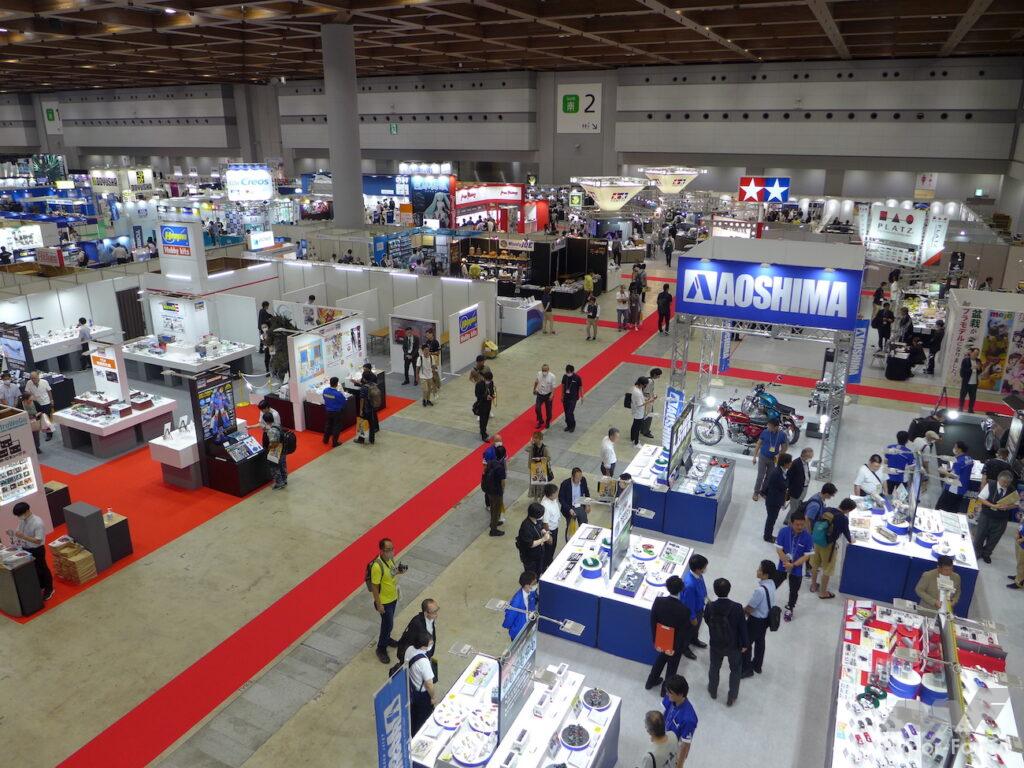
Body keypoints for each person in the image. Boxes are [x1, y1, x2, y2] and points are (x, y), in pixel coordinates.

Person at [704, 578, 748, 707]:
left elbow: (707, 620)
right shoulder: (737, 607)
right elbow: (742, 627)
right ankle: (732, 696)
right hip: (733, 645)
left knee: (714, 667)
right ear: (729, 590)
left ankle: (713, 690)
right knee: (735, 670)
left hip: (716, 644)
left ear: (715, 591)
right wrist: (745, 644)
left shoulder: (710, 606)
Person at [645, 575, 693, 693]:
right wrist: (677, 647)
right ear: (681, 589)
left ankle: (651, 681)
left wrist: (655, 639)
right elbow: (683, 632)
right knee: (672, 667)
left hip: (661, 638)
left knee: (661, 659)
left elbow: (653, 621)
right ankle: (665, 690)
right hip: (675, 644)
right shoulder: (684, 610)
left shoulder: (658, 601)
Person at [809, 497, 855, 598]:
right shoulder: (843, 518)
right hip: (828, 546)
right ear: (848, 510)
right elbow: (846, 533)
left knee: (815, 564)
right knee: (827, 568)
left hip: (816, 541)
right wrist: (851, 540)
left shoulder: (827, 509)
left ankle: (813, 586)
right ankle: (823, 593)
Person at [8, 501, 53, 600]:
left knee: (42, 569)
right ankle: (41, 585)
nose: (19, 517)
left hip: (37, 549)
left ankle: (49, 589)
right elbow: (19, 532)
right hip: (26, 548)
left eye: (20, 514)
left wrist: (24, 536)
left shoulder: (37, 522)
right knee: (34, 570)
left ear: (27, 511)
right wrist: (13, 534)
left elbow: (38, 540)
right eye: (18, 515)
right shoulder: (23, 521)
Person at [973, 471, 1020, 564]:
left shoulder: (1012, 489)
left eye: (1008, 483)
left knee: (994, 538)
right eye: (1003, 482)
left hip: (1001, 519)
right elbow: (981, 498)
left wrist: (1008, 507)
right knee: (980, 535)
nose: (1005, 484)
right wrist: (993, 505)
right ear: (998, 479)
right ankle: (977, 553)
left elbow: (1016, 504)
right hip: (986, 516)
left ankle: (986, 554)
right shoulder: (991, 485)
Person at [370, 538, 404, 664]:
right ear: (381, 550)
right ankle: (381, 648)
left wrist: (399, 571)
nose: (391, 551)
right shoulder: (377, 567)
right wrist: (379, 604)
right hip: (384, 601)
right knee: (387, 624)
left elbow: (391, 573)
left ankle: (387, 638)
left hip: (393, 597)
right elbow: (374, 587)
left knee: (388, 623)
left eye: (392, 549)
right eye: (388, 550)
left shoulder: (390, 560)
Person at [775, 511, 813, 622]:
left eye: (802, 524)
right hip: (783, 565)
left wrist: (793, 565)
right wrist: (786, 562)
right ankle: (765, 601)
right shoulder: (783, 532)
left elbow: (806, 556)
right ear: (791, 523)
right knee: (773, 584)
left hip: (797, 568)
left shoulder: (808, 537)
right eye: (797, 524)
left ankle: (790, 608)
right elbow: (779, 549)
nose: (800, 527)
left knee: (794, 590)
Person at [742, 560, 778, 677]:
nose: (757, 571)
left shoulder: (760, 591)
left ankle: (746, 669)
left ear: (766, 574)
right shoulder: (772, 584)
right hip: (765, 620)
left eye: (759, 569)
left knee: (746, 643)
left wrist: (740, 613)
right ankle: (757, 666)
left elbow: (750, 608)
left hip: (755, 621)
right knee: (760, 642)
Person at [405, 629, 437, 733]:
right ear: (423, 647)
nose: (432, 645)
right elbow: (429, 684)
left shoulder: (409, 649)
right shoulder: (423, 662)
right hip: (422, 695)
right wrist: (433, 697)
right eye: (430, 644)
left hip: (412, 688)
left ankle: (413, 732)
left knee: (414, 715)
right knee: (422, 719)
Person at [661, 675, 697, 768]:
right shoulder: (670, 697)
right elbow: (664, 713)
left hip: (673, 749)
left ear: (680, 694)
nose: (667, 694)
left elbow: (685, 745)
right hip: (664, 739)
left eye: (670, 693)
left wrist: (679, 765)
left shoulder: (689, 719)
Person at [752, 419, 788, 502]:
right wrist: (754, 457)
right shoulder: (765, 432)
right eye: (768, 425)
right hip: (763, 457)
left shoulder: (782, 435)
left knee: (769, 477)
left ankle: (763, 492)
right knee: (760, 476)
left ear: (776, 427)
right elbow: (758, 444)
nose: (768, 427)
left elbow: (784, 447)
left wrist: (779, 455)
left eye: (770, 426)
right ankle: (756, 492)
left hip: (773, 459)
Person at [681, 554, 709, 650]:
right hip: (693, 612)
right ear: (697, 569)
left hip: (699, 608)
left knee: (696, 629)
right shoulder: (690, 585)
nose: (705, 569)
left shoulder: (699, 575)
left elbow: (703, 586)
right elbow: (688, 604)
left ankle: (694, 639)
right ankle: (685, 648)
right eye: (704, 567)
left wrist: (706, 597)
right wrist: (692, 617)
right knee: (689, 630)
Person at [937, 441, 973, 514]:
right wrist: (950, 470)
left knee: (941, 508)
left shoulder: (959, 461)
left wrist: (943, 471)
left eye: (955, 447)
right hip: (962, 488)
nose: (953, 448)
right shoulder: (969, 459)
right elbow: (961, 471)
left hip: (953, 489)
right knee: (954, 509)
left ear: (959, 449)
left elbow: (954, 476)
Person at [762, 452, 791, 543]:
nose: (791, 464)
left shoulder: (782, 471)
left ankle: (768, 535)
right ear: (785, 463)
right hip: (773, 500)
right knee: (771, 519)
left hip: (776, 499)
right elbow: (784, 485)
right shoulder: (776, 473)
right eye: (789, 462)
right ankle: (767, 536)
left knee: (772, 518)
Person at [517, 502, 550, 576]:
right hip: (530, 557)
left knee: (539, 571)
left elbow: (540, 526)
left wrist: (543, 531)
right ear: (536, 515)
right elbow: (530, 544)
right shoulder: (526, 527)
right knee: (532, 574)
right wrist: (543, 539)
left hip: (539, 553)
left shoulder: (537, 520)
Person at [502, 571, 538, 640]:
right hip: (519, 632)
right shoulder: (516, 601)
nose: (536, 585)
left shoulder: (531, 593)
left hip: (530, 625)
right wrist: (508, 626)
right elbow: (509, 617)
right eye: (534, 583)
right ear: (527, 585)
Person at [481, 445, 507, 537]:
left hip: (488, 489)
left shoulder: (491, 462)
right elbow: (503, 482)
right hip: (496, 491)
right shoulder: (501, 468)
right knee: (496, 509)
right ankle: (493, 530)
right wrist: (502, 491)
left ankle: (494, 522)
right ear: (503, 455)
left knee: (493, 507)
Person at [558, 468, 591, 534]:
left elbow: (587, 492)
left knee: (584, 526)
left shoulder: (583, 480)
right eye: (577, 478)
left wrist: (587, 504)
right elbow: (561, 499)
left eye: (580, 477)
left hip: (581, 506)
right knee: (570, 529)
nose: (579, 480)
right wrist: (569, 509)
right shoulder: (565, 484)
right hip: (570, 507)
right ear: (572, 476)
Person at [24, 371, 53, 441]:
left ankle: (49, 434)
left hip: (46, 402)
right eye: (32, 378)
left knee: (46, 418)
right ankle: (44, 430)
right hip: (36, 404)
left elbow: (49, 391)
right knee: (39, 418)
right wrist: (31, 397)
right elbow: (27, 392)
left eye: (35, 378)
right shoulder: (29, 383)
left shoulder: (44, 382)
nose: (33, 380)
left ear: (38, 376)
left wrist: (51, 400)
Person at [538, 483, 562, 569]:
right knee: (548, 549)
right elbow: (545, 523)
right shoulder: (545, 505)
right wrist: (548, 536)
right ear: (551, 495)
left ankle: (550, 560)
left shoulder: (553, 499)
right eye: (556, 493)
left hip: (555, 527)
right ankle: (545, 567)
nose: (557, 494)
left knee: (553, 547)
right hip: (550, 530)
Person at [785, 447, 814, 516]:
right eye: (810, 457)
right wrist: (789, 489)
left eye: (811, 457)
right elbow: (788, 476)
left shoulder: (806, 462)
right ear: (803, 455)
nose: (810, 458)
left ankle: (788, 519)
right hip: (796, 490)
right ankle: (789, 521)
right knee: (794, 508)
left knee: (797, 506)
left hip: (804, 488)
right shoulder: (795, 463)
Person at [263, 412, 287, 488]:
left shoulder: (271, 431)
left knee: (274, 467)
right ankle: (284, 479)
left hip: (276, 451)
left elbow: (273, 443)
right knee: (282, 465)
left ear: (265, 421)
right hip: (283, 448)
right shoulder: (278, 425)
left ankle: (279, 483)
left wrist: (268, 449)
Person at [355, 373, 380, 445]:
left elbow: (362, 399)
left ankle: (361, 439)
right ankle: (372, 440)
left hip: (366, 409)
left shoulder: (364, 388)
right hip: (372, 407)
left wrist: (361, 410)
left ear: (364, 379)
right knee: (372, 424)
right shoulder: (374, 385)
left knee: (362, 423)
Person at [321, 376, 346, 447]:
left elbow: (324, 398)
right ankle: (335, 442)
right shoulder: (338, 394)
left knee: (328, 425)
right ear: (337, 384)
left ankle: (325, 439)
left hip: (328, 410)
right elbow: (343, 402)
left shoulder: (325, 390)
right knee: (336, 427)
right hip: (337, 412)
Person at [533, 363, 556, 430]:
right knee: (537, 408)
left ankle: (547, 422)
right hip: (540, 394)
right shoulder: (539, 373)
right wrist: (534, 389)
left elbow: (553, 387)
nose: (544, 372)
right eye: (543, 370)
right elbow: (536, 381)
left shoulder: (552, 376)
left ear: (548, 370)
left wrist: (552, 395)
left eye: (545, 370)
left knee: (548, 410)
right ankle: (540, 421)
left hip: (548, 395)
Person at [561, 364, 583, 432]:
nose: (568, 373)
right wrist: (562, 395)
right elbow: (563, 386)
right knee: (566, 412)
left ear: (573, 371)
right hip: (566, 397)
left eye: (569, 372)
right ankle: (568, 425)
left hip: (573, 398)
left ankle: (573, 425)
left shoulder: (577, 378)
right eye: (567, 372)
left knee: (570, 412)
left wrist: (582, 396)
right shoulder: (565, 377)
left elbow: (580, 387)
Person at [474, 370, 495, 441]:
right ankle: (483, 434)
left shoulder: (491, 382)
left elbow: (492, 390)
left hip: (488, 404)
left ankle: (483, 429)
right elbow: (477, 395)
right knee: (482, 419)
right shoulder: (479, 384)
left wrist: (492, 395)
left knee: (486, 418)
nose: (489, 381)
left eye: (490, 380)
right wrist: (486, 397)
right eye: (488, 380)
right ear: (484, 378)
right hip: (481, 404)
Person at [959, 347, 981, 413]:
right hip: (966, 382)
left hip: (974, 383)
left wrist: (979, 369)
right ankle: (960, 408)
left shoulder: (978, 361)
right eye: (974, 353)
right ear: (971, 353)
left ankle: (970, 409)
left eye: (977, 354)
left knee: (973, 397)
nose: (976, 355)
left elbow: (979, 372)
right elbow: (962, 372)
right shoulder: (965, 360)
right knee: (963, 395)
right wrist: (971, 368)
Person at [630, 376, 651, 446]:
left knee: (634, 424)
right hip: (638, 412)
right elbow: (640, 404)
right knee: (637, 428)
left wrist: (645, 399)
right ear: (642, 384)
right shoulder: (637, 392)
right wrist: (650, 401)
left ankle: (632, 438)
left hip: (636, 410)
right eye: (645, 385)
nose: (645, 386)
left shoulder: (637, 388)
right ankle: (636, 442)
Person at [642, 368, 662, 439]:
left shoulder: (648, 379)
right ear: (655, 374)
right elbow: (646, 393)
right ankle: (645, 431)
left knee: (645, 416)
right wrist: (652, 398)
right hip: (647, 401)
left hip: (646, 400)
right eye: (658, 375)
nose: (659, 377)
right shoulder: (650, 382)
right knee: (649, 416)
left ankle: (642, 429)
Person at [1008, 517, 1024, 590]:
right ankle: (1019, 576)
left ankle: (1019, 582)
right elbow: (1021, 522)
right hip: (1019, 540)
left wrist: (1022, 539)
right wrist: (1017, 532)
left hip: (1022, 542)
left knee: (1021, 564)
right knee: (1019, 562)